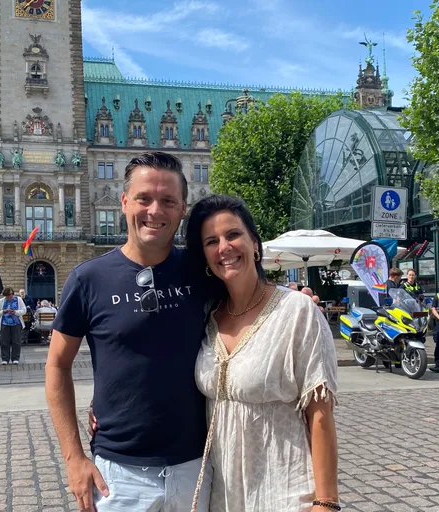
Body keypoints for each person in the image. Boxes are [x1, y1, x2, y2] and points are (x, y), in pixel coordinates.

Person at [45, 152, 322, 512]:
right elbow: (56, 365)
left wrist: (297, 302)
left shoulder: (202, 272)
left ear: (182, 209)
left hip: (198, 467)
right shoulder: (88, 279)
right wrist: (73, 458)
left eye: (168, 201)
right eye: (144, 198)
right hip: (119, 476)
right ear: (124, 201)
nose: (155, 211)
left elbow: (252, 301)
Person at [186, 194, 339, 512]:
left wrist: (326, 502)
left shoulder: (297, 312)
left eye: (233, 235)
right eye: (211, 241)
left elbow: (320, 413)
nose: (224, 248)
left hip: (284, 490)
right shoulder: (208, 316)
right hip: (223, 496)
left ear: (255, 245)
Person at [0, 287, 25, 365]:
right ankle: (5, 358)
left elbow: (24, 310)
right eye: (7, 296)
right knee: (4, 341)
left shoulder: (18, 300)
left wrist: (16, 312)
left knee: (16, 341)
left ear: (13, 294)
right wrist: (3, 311)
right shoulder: (1, 301)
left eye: (10, 296)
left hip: (16, 323)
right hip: (5, 323)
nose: (9, 298)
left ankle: (15, 358)